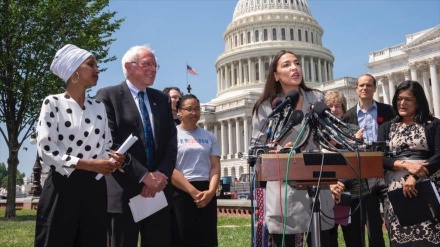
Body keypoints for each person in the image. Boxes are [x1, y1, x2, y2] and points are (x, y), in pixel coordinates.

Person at [34, 44, 124, 247]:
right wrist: (91, 165)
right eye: (90, 64)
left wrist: (113, 160)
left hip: (94, 189)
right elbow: (46, 151)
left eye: (97, 65)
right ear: (73, 70)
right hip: (61, 187)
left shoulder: (98, 107)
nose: (96, 70)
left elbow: (105, 145)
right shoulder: (53, 103)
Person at [96, 44, 177, 247]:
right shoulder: (108, 96)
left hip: (157, 193)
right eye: (146, 64)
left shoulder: (161, 99)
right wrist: (144, 176)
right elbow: (110, 143)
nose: (153, 69)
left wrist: (159, 176)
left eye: (155, 65)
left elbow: (171, 142)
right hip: (123, 193)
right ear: (129, 66)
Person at [252, 50, 335, 246]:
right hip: (284, 185)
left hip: (317, 180)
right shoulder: (266, 107)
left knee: (323, 239)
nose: (294, 68)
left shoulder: (316, 98)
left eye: (297, 63)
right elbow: (256, 149)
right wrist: (276, 151)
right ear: (275, 74)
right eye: (287, 65)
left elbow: (328, 137)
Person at [378, 80, 440, 246]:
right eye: (399, 99)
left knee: (428, 240)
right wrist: (404, 165)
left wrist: (414, 176)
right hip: (396, 193)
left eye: (408, 99)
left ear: (418, 101)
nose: (402, 103)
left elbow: (439, 156)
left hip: (426, 189)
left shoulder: (433, 124)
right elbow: (379, 158)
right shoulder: (386, 127)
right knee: (401, 240)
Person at [342, 73, 395, 247]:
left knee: (393, 218)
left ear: (374, 88)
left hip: (386, 169)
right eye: (361, 85)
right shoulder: (348, 116)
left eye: (368, 85)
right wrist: (353, 141)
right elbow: (343, 147)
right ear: (356, 89)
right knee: (371, 221)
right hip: (362, 173)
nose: (365, 88)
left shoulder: (388, 111)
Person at [171, 94, 221, 246]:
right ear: (179, 111)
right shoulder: (172, 135)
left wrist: (211, 192)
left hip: (206, 191)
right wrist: (193, 192)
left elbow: (215, 166)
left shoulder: (209, 136)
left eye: (197, 109)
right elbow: (170, 169)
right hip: (181, 191)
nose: (194, 113)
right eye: (189, 109)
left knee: (207, 238)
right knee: (182, 237)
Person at [324, 91, 367, 247]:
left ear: (343, 110)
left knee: (355, 239)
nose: (334, 110)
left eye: (338, 106)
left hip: (352, 192)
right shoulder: (317, 133)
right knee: (328, 239)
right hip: (326, 192)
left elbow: (359, 160)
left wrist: (341, 182)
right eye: (330, 106)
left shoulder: (353, 129)